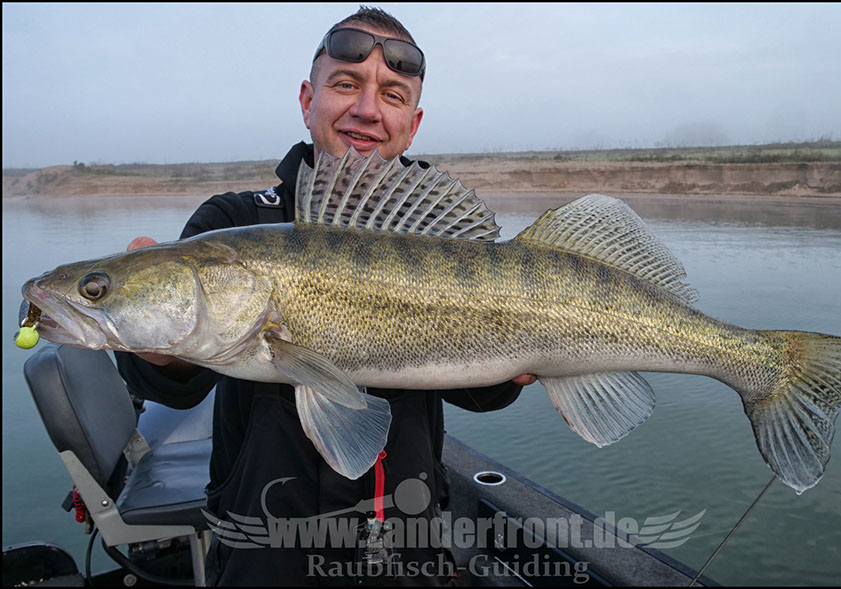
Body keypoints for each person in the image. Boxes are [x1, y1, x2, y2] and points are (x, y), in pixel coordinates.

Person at [116, 6, 536, 586]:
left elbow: (475, 389)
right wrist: (155, 352)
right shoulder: (233, 222)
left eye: (392, 94)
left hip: (407, 542)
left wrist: (513, 368)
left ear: (411, 125)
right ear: (306, 100)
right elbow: (170, 386)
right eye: (345, 84)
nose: (367, 109)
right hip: (267, 546)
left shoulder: (441, 239)